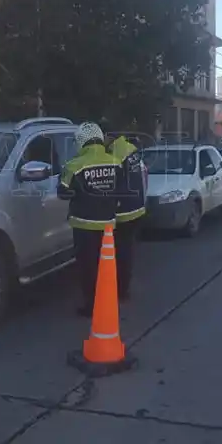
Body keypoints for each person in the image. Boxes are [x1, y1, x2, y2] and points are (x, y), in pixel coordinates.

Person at [57, 122, 123, 317]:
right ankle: (109, 300)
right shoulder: (115, 161)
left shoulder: (74, 165)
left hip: (83, 224)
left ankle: (91, 305)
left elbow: (63, 192)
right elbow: (120, 189)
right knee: (107, 265)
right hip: (108, 223)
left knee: (88, 267)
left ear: (81, 141)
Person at [106, 134, 145, 301]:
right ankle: (124, 287)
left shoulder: (114, 154)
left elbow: (110, 182)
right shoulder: (131, 150)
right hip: (137, 207)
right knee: (127, 250)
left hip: (124, 211)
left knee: (121, 253)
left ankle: (121, 291)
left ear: (109, 137)